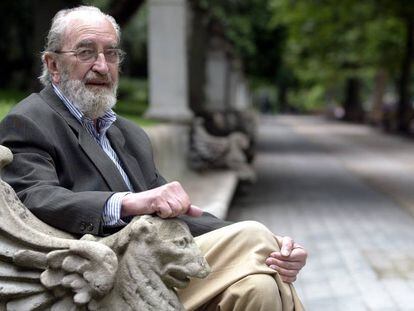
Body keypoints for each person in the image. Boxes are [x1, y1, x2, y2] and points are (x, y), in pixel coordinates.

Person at [0, 6, 307, 310]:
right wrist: (127, 202)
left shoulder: (128, 133)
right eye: (86, 53)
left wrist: (275, 244)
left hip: (156, 269)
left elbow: (178, 215)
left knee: (259, 286)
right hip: (102, 279)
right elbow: (32, 198)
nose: (103, 66)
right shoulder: (30, 120)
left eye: (111, 53)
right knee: (255, 238)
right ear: (53, 65)